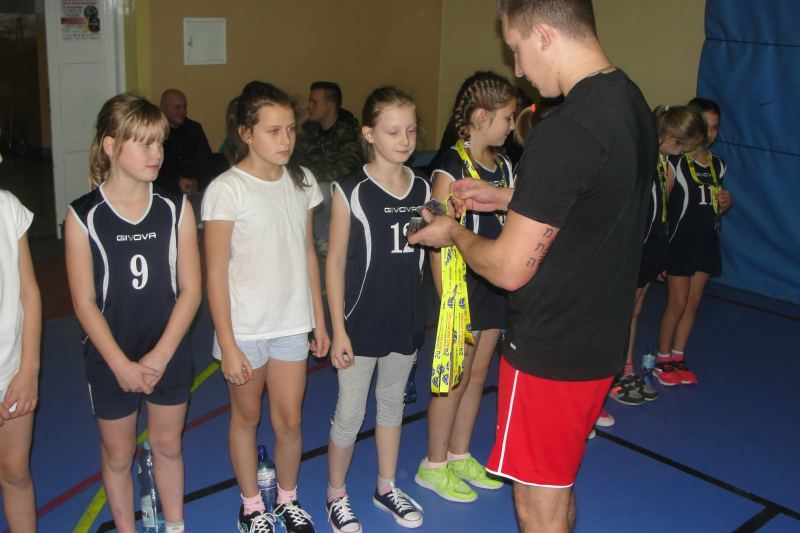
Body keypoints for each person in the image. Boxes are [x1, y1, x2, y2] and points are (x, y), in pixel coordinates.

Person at [408, 1, 657, 530]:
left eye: (517, 49)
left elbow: (507, 268)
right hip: (600, 336)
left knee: (537, 499)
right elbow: (591, 201)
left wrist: (453, 232)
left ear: (544, 34)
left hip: (552, 347)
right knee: (557, 480)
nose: (518, 68)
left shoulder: (565, 129)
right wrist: (506, 200)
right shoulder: (628, 100)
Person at [65, 94, 201, 533]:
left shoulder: (175, 208)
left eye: (159, 142)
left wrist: (160, 355)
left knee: (167, 445)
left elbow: (191, 291)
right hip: (111, 353)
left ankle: (175, 526)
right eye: (144, 143)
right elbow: (84, 302)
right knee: (119, 454)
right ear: (110, 146)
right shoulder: (83, 216)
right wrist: (120, 364)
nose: (156, 153)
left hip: (169, 348)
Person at [202, 81, 330, 533]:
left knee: (290, 420)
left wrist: (318, 320)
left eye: (291, 129)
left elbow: (308, 252)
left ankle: (288, 499)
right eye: (273, 131)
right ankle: (252, 505)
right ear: (246, 133)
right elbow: (215, 271)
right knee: (247, 416)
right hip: (246, 328)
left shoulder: (302, 181)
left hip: (291, 323)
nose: (286, 140)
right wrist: (227, 343)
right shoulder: (227, 189)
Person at [324, 86, 427, 533]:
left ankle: (386, 487)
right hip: (360, 321)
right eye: (392, 131)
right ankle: (336, 494)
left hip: (405, 317)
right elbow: (334, 263)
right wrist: (338, 330)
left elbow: (424, 250)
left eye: (411, 130)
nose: (404, 140)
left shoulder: (424, 188)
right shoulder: (350, 190)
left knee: (391, 406)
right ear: (369, 133)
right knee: (350, 414)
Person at [414, 71, 515, 504]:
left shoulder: (504, 166)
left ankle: (459, 454)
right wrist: (447, 302)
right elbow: (436, 237)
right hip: (461, 290)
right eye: (507, 117)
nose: (511, 125)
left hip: (494, 282)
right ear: (480, 117)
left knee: (477, 376)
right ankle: (433, 465)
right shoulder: (450, 167)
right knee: (453, 379)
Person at [609, 105, 707, 405]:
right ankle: (612, 374)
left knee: (635, 310)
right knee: (621, 312)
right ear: (671, 139)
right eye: (683, 146)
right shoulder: (641, 162)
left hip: (651, 248)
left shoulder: (663, 163)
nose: (684, 153)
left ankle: (625, 370)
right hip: (632, 249)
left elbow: (661, 210)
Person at [655, 98, 732, 386]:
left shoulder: (718, 166)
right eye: (705, 126)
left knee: (693, 303)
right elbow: (662, 206)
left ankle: (678, 356)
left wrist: (725, 203)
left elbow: (712, 206)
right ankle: (662, 359)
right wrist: (660, 251)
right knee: (676, 303)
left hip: (705, 242)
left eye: (715, 127)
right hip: (679, 243)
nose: (710, 133)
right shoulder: (674, 162)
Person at [0, 188, 41, 533]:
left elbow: (29, 292)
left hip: (10, 371)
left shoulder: (8, 207)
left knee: (15, 471)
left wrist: (29, 369)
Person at [294, 82, 364, 255]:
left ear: (330, 106)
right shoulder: (309, 131)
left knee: (323, 190)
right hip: (312, 183)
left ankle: (324, 241)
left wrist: (310, 181)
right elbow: (298, 162)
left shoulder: (349, 131)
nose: (309, 106)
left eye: (314, 102)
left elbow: (346, 169)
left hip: (343, 189)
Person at [157, 89, 227, 221]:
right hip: (166, 191)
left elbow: (206, 162)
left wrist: (197, 183)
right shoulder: (156, 132)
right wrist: (177, 182)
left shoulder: (194, 129)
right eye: (177, 107)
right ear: (163, 108)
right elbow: (155, 170)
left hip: (196, 190)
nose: (183, 111)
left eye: (184, 107)